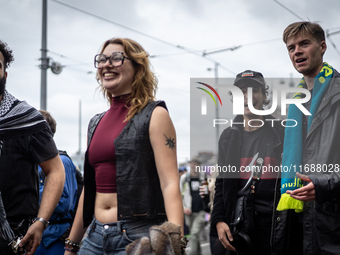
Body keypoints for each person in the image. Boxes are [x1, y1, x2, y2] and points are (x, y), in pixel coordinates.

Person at [64, 38, 184, 255]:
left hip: (139, 238)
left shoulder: (155, 114)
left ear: (137, 68)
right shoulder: (95, 122)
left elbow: (170, 183)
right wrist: (72, 244)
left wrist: (175, 242)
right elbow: (89, 189)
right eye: (101, 60)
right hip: (94, 236)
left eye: (116, 58)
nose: (106, 65)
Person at [211, 70, 302, 255]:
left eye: (254, 90)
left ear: (264, 96)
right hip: (239, 226)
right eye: (241, 91)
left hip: (275, 227)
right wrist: (219, 219)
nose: (247, 96)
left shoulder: (282, 131)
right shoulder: (228, 137)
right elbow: (221, 183)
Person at [0, 40, 65, 255]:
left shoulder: (26, 120)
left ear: (5, 75)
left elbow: (55, 170)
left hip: (13, 236)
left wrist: (41, 221)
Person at [280, 21, 340, 254]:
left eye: (304, 44)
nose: (297, 51)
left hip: (332, 222)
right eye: (291, 47)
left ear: (323, 46)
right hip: (298, 220)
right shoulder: (295, 103)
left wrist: (326, 185)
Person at [35, 110, 79, 255]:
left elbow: (64, 203)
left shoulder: (63, 162)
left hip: (54, 240)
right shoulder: (34, 164)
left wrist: (31, 193)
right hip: (40, 237)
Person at [180, 157, 208, 255]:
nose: (193, 166)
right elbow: (179, 194)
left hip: (201, 211)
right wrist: (184, 207)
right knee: (194, 235)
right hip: (189, 211)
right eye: (192, 164)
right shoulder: (185, 178)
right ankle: (198, 253)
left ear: (199, 166)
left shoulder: (203, 177)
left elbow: (207, 192)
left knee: (195, 233)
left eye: (196, 164)